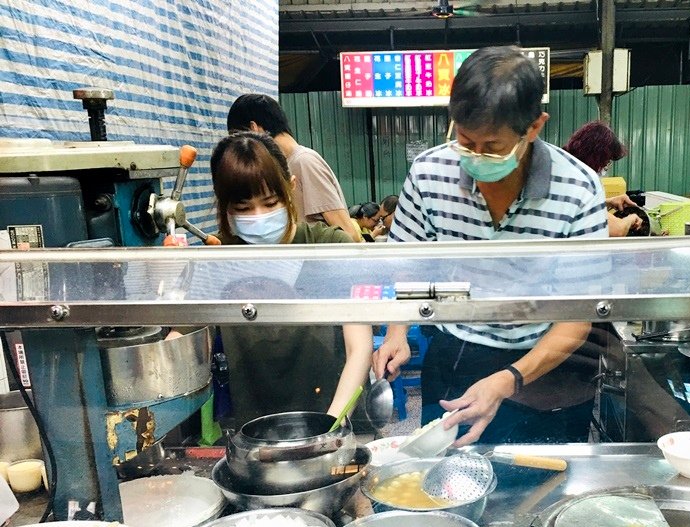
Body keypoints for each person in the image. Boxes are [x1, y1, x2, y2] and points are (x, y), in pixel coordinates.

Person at [372, 46, 609, 447]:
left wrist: (509, 381)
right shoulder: (430, 174)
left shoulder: (579, 189)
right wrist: (398, 330)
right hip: (456, 352)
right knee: (442, 475)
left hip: (543, 360)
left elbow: (578, 319)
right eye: (465, 141)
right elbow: (410, 268)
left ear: (534, 127)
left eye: (493, 146)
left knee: (536, 488)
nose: (475, 157)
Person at [209, 132, 373, 426]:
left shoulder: (329, 247)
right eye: (243, 209)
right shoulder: (216, 257)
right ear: (225, 207)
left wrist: (331, 426)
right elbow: (182, 340)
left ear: (291, 188)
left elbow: (359, 346)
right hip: (254, 429)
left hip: (337, 416)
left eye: (271, 203)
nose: (259, 216)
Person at [227, 94, 362, 243]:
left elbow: (349, 235)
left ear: (254, 128)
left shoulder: (304, 162)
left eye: (238, 138)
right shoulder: (285, 163)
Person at [564, 121, 644, 237]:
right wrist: (631, 219)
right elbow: (617, 230)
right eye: (607, 161)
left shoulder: (567, 167)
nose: (606, 166)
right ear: (597, 156)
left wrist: (607, 202)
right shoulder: (581, 179)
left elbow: (577, 207)